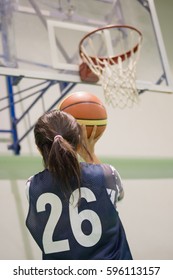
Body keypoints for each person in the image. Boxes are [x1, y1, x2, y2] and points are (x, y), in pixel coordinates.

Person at [26, 109, 132, 260]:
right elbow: (118, 196)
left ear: (38, 148)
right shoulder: (108, 174)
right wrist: (90, 154)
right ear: (77, 141)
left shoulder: (31, 187)